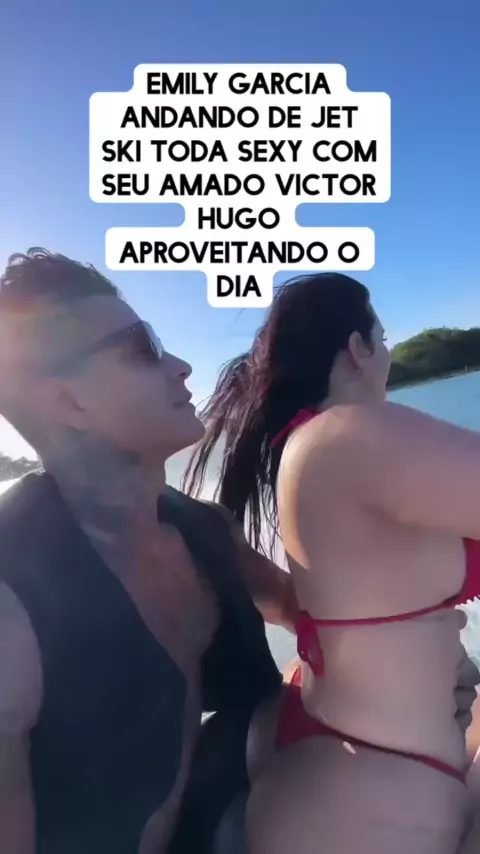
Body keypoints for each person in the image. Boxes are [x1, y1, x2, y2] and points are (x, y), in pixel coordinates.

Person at [0, 248, 299, 854]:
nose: (182, 367)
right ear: (69, 404)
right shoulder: (13, 607)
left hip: (215, 818)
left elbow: (308, 613)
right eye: (144, 348)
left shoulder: (204, 530)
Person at [183, 272, 480, 853]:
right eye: (383, 339)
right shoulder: (350, 435)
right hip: (384, 780)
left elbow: (313, 599)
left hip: (321, 739)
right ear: (358, 348)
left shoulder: (303, 452)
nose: (387, 355)